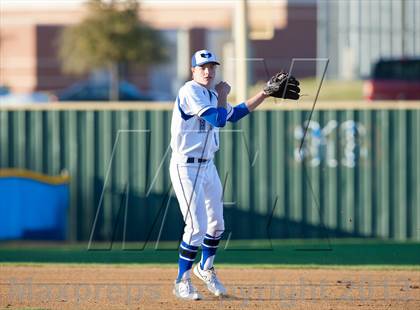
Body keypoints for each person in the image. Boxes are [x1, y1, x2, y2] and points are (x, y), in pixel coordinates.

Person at [170, 49, 300, 300]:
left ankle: (205, 269)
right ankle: (181, 281)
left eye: (212, 67)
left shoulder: (210, 93)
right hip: (185, 166)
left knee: (217, 224)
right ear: (193, 71)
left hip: (207, 165)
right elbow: (218, 120)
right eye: (203, 67)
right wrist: (222, 94)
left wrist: (264, 92)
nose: (208, 71)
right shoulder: (190, 91)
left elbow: (234, 114)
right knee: (196, 227)